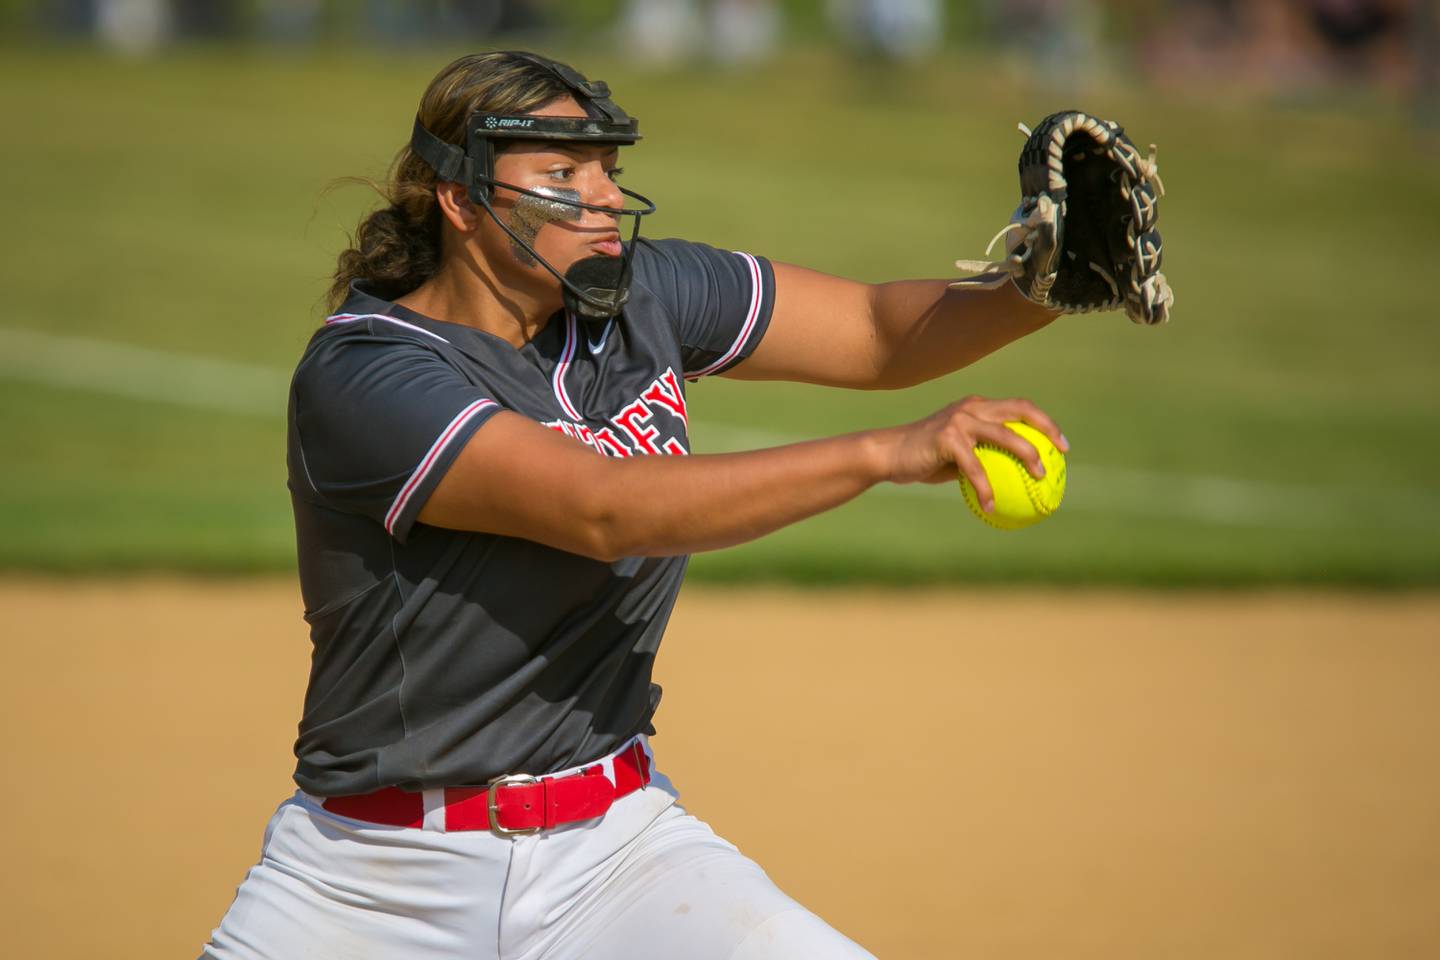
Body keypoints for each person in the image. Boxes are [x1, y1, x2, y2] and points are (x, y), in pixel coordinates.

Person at [200, 50, 1067, 960]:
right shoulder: (369, 372)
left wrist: (1048, 286)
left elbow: (876, 332)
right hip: (369, 883)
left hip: (614, 854)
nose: (605, 195)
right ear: (461, 201)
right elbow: (602, 509)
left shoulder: (641, 296)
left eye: (609, 169)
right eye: (562, 173)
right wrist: (883, 453)